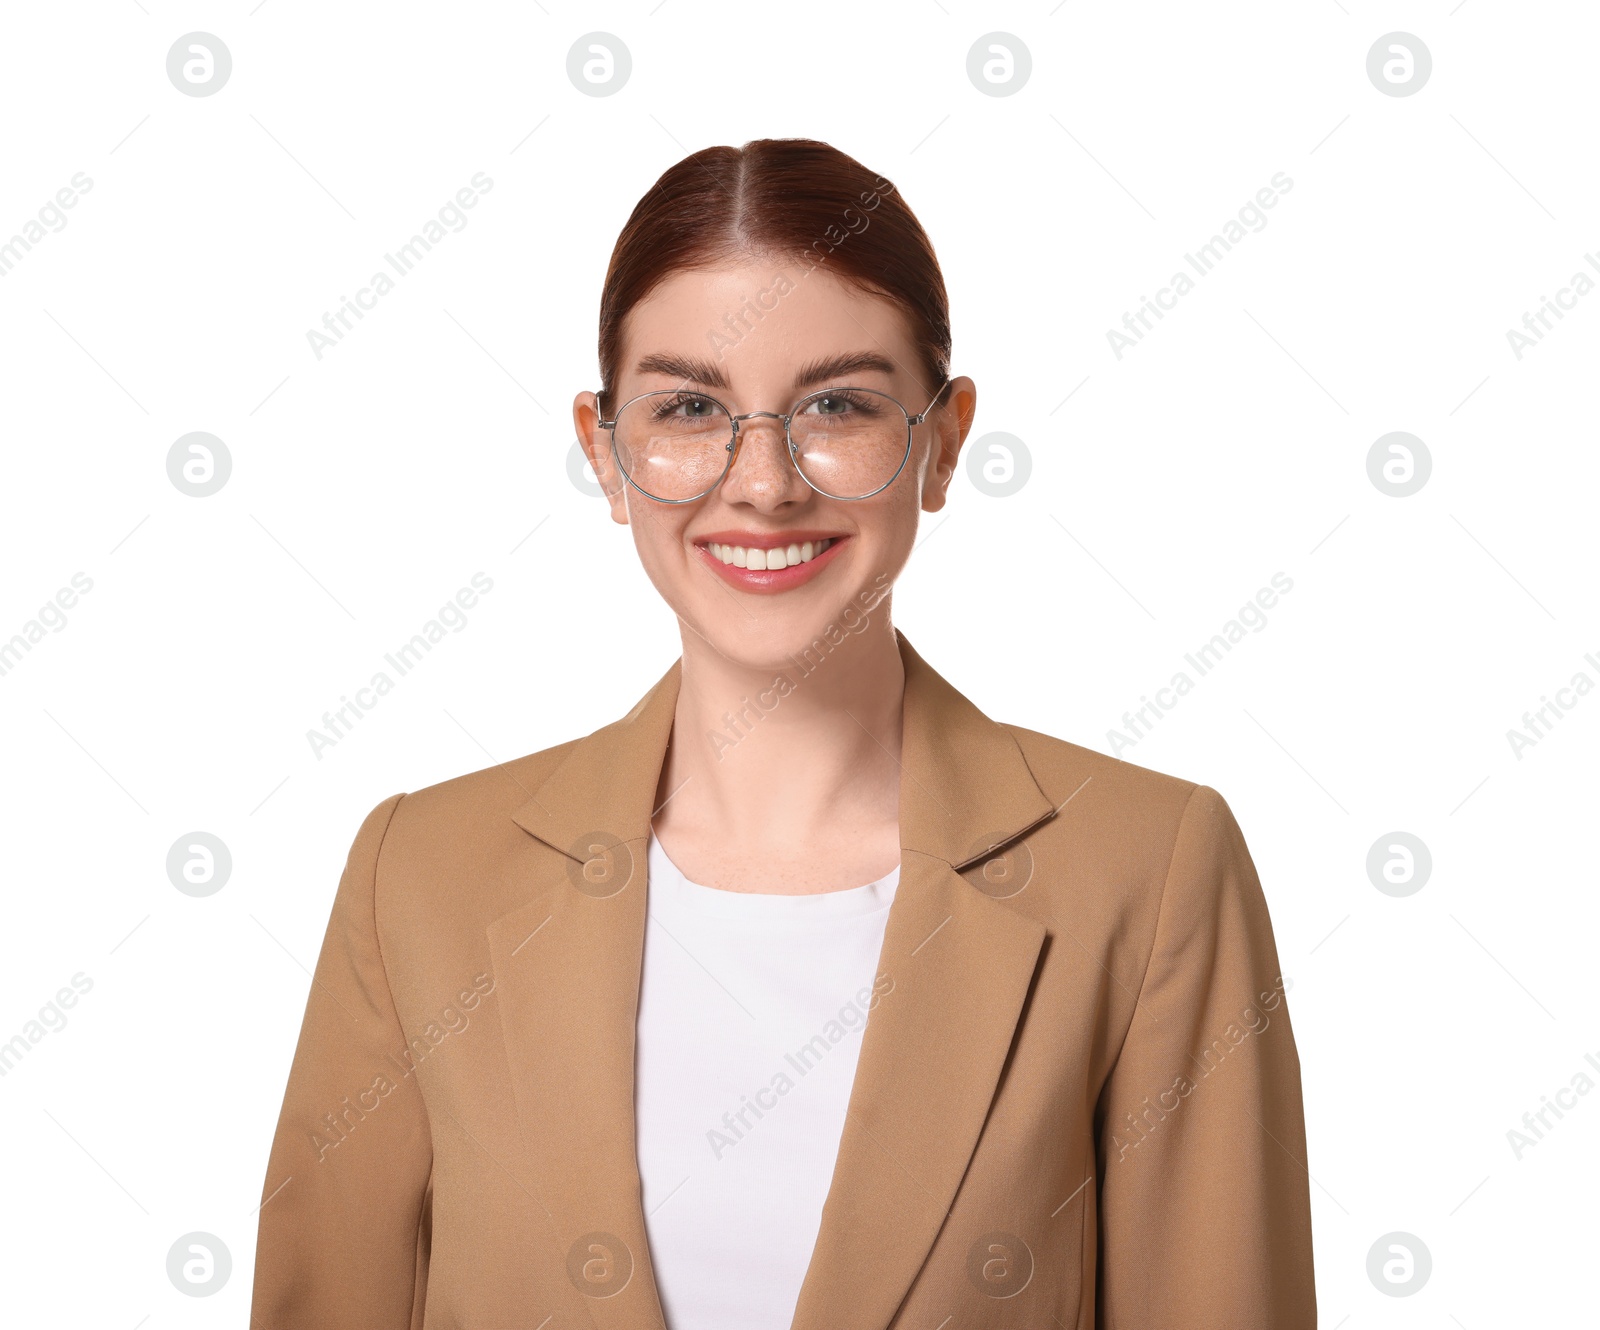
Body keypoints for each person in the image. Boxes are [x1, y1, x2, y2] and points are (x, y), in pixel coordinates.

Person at [250, 136, 1317, 1330]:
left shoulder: (1151, 869)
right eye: (690, 408)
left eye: (838, 406)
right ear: (605, 452)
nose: (762, 484)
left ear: (945, 440)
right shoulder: (419, 878)